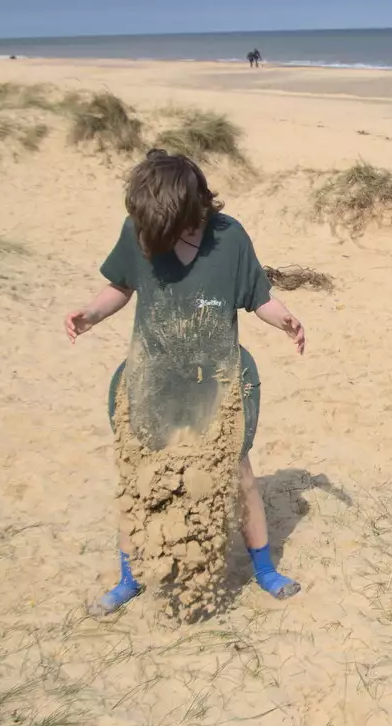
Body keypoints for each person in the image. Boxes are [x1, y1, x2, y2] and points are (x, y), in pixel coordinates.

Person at [65, 149, 308, 615]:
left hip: (217, 381)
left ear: (194, 206)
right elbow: (121, 285)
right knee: (140, 478)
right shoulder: (139, 232)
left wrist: (285, 321)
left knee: (240, 475)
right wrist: (91, 315)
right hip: (153, 377)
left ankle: (264, 569)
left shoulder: (229, 237)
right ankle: (129, 576)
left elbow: (257, 297)